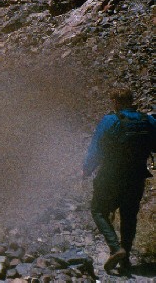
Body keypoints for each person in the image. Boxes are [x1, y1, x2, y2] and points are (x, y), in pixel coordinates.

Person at [83, 87, 156, 274]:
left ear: (115, 101)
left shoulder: (110, 120)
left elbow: (96, 150)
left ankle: (116, 248)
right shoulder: (148, 120)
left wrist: (86, 169)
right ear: (132, 100)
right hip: (137, 177)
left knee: (98, 210)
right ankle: (126, 261)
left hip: (110, 177)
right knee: (129, 216)